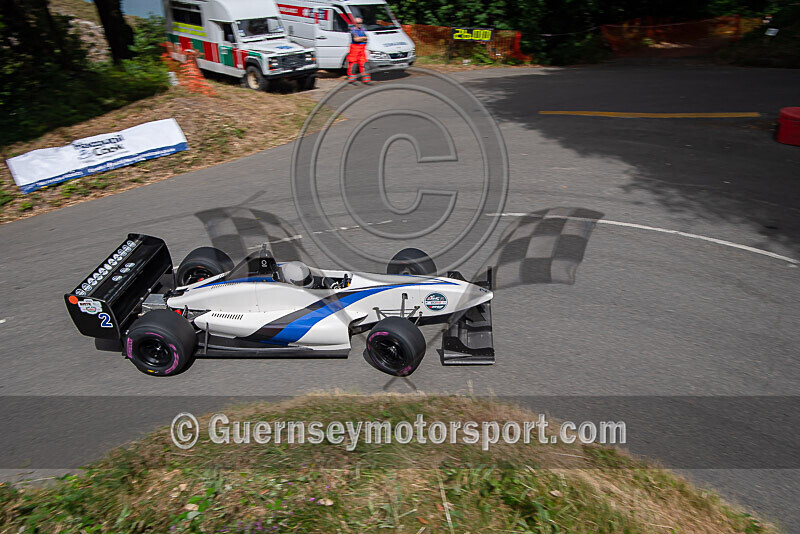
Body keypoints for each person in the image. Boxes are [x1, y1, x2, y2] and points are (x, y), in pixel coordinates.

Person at [347, 17, 372, 85]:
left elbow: (366, 38)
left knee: (364, 64)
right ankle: (352, 80)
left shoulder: (363, 30)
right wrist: (363, 38)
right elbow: (356, 40)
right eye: (358, 23)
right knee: (353, 64)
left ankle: (366, 80)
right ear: (355, 23)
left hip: (362, 49)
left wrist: (361, 38)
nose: (360, 24)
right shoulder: (352, 30)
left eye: (361, 23)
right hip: (354, 49)